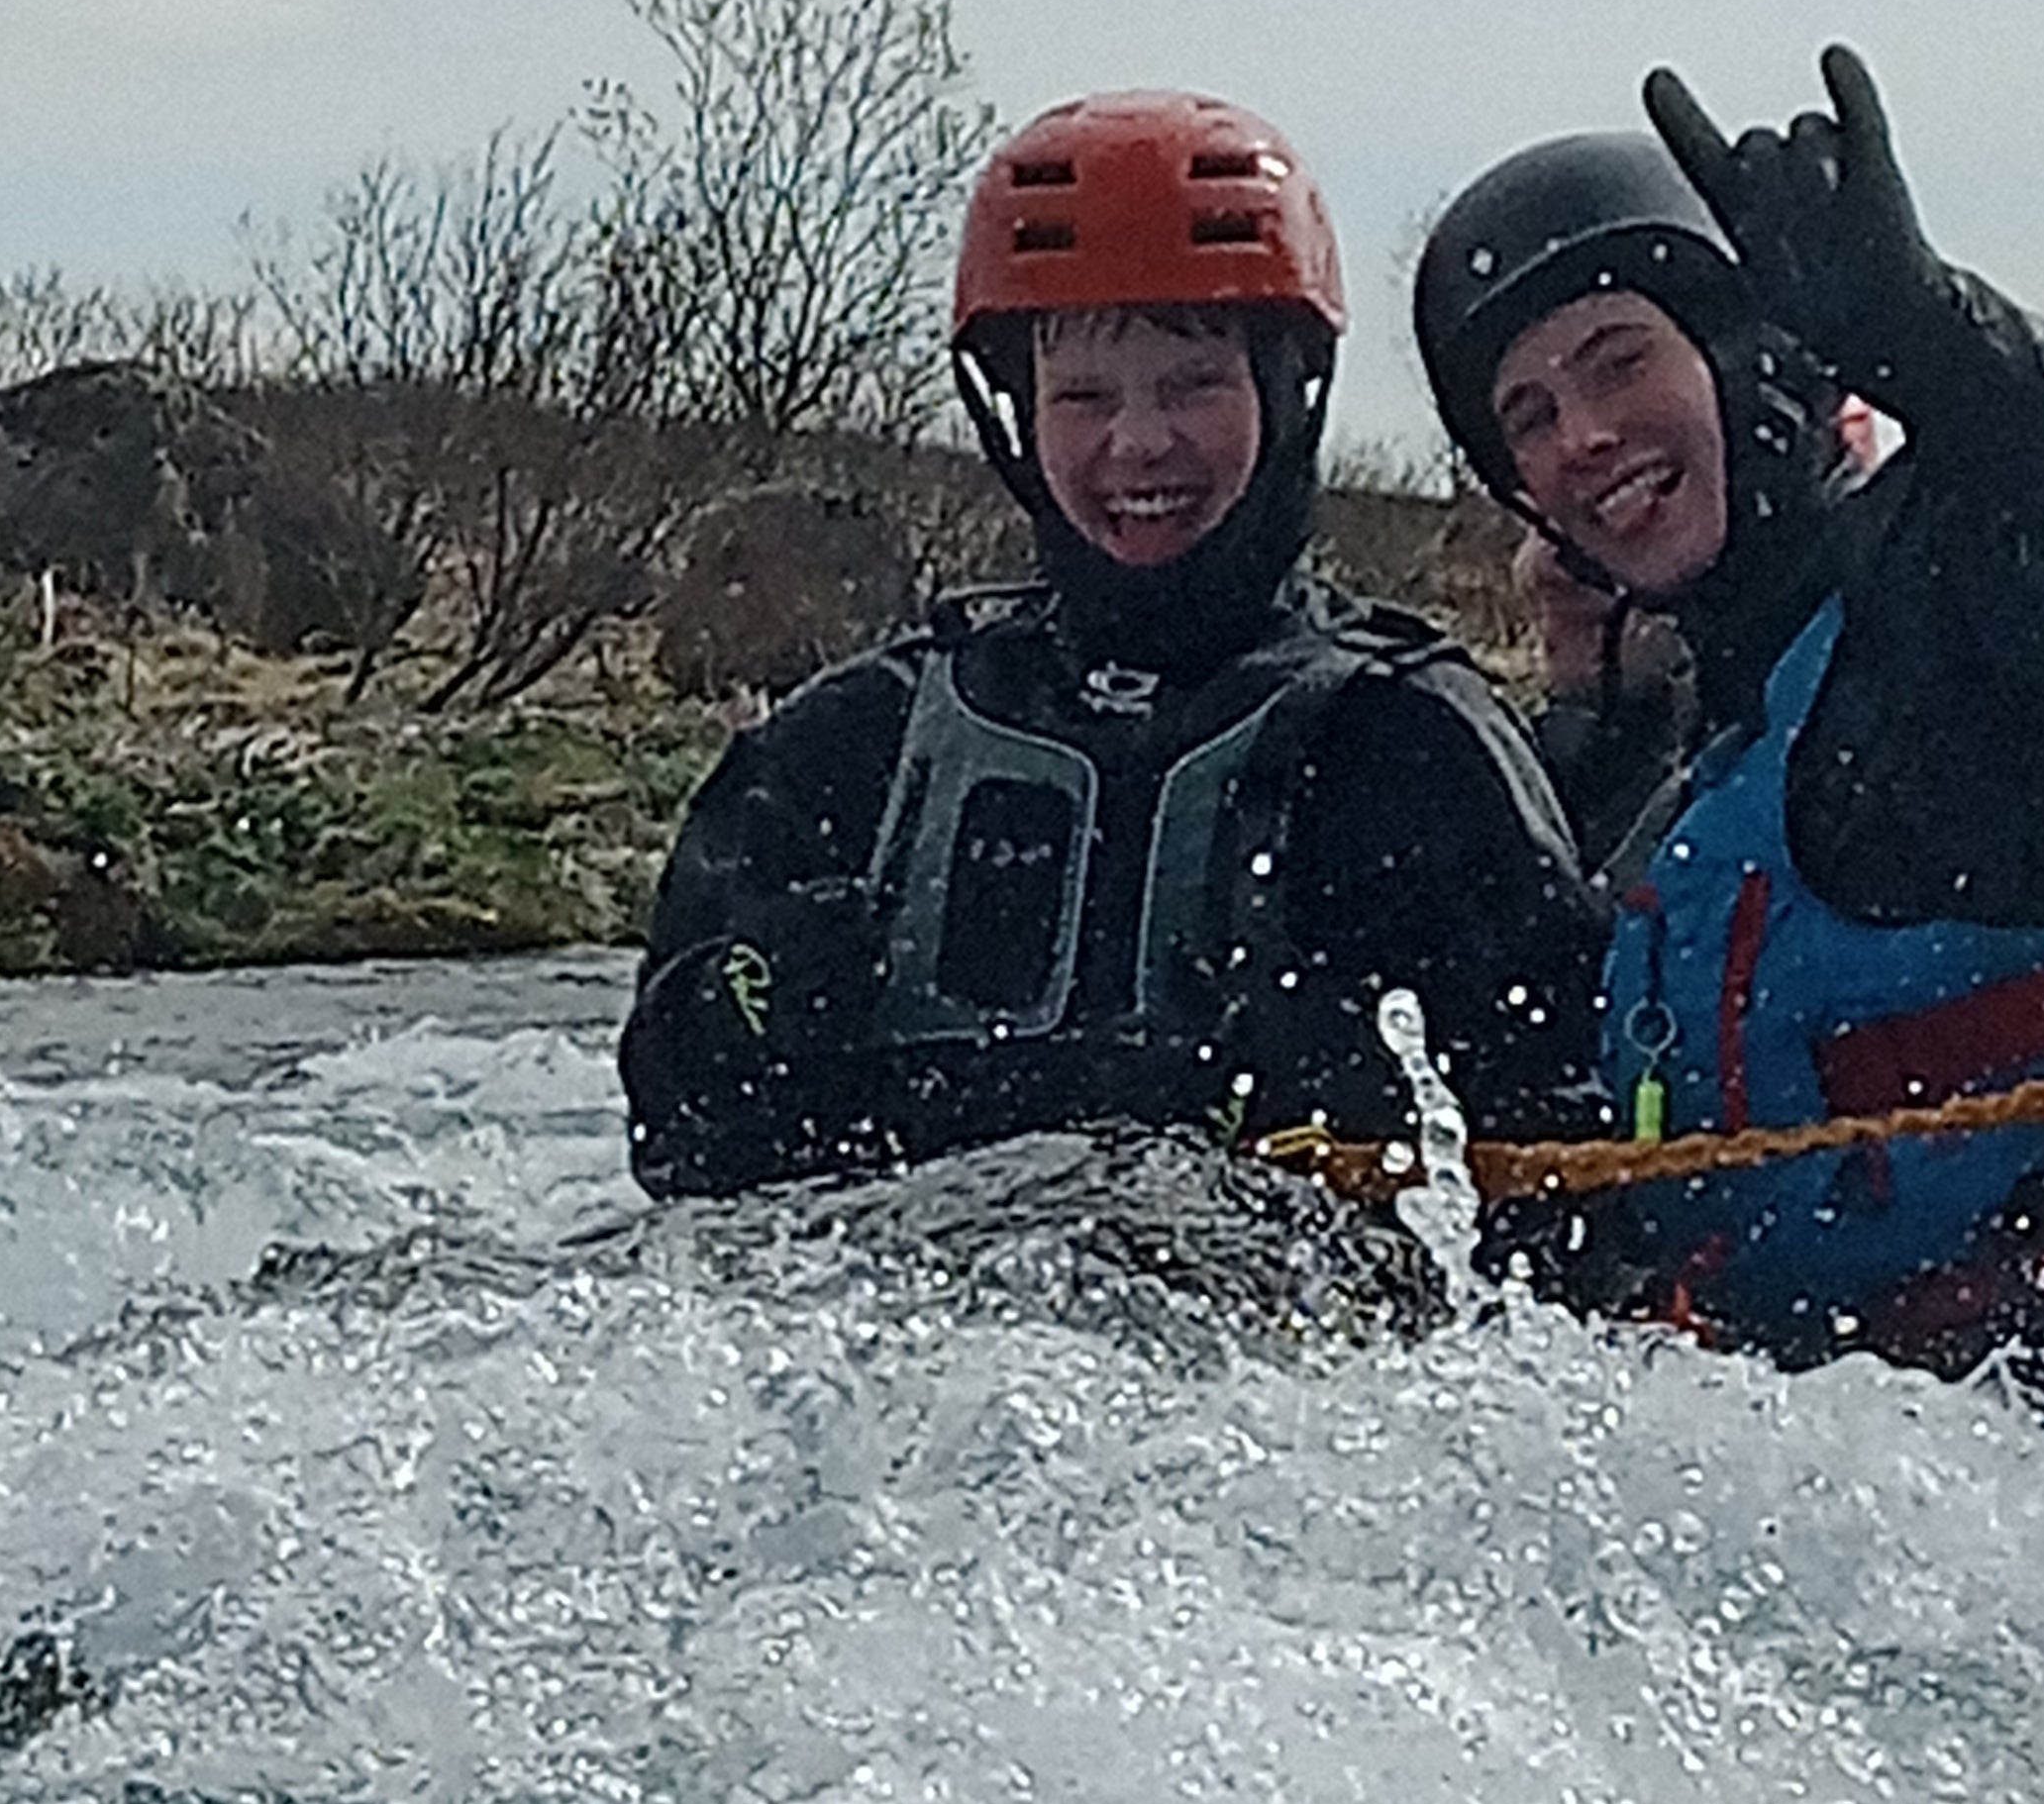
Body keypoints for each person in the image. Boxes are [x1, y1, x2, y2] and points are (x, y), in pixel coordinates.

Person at [1411, 48, 2044, 1411]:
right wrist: (1598, 716)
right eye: (1532, 417)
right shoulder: (1719, 737)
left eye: (1621, 364)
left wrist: (1931, 334)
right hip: (1886, 1465)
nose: (1587, 436)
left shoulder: (1971, 628)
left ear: (1760, 362)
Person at [624, 90, 1608, 1202]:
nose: (1139, 444)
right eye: (1085, 395)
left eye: (1194, 385)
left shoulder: (1411, 746)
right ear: (1020, 417)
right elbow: (675, 1157)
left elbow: (1575, 1176)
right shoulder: (851, 750)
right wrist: (739, 1013)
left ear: (1286, 397)